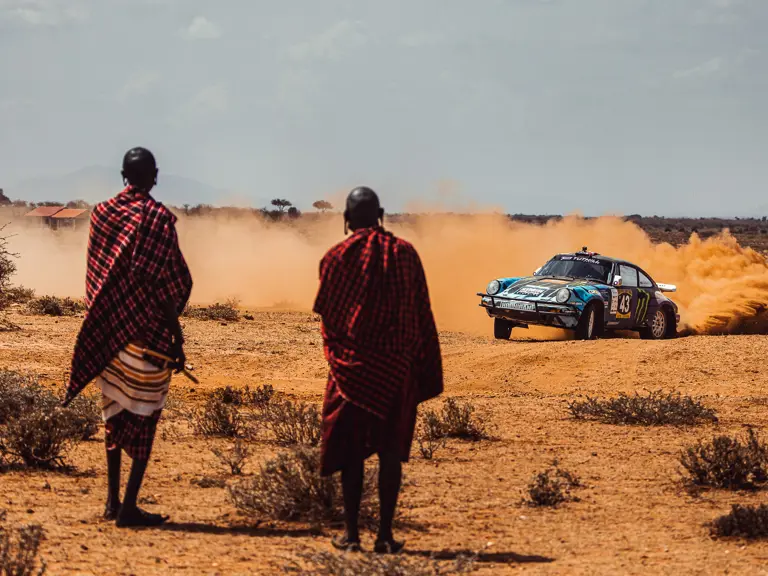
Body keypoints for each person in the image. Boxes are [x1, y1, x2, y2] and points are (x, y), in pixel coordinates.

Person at [62, 147, 193, 528]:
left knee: (114, 412)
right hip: (147, 333)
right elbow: (166, 284)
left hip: (106, 330)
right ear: (155, 176)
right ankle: (129, 507)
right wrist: (176, 335)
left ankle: (111, 502)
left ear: (122, 175)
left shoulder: (102, 213)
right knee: (144, 414)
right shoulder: (157, 219)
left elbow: (98, 272)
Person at [313, 186, 443, 553]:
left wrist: (341, 352)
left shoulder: (336, 256)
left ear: (346, 219)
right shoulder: (405, 254)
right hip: (395, 371)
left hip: (350, 371)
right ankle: (384, 536)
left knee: (351, 453)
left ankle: (352, 535)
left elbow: (328, 313)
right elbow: (421, 313)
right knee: (390, 452)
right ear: (382, 214)